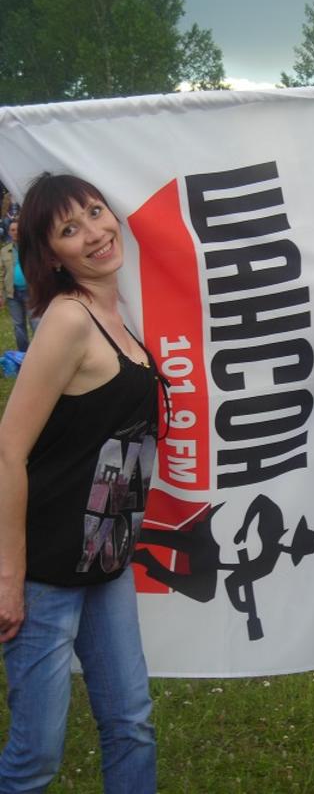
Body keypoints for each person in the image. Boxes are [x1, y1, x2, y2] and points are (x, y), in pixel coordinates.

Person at [0, 173, 163, 793]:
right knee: (36, 755)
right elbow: (8, 450)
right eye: (70, 229)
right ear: (51, 256)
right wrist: (9, 578)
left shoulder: (116, 317)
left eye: (96, 212)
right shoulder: (69, 320)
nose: (94, 232)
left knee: (132, 725)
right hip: (45, 568)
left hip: (104, 558)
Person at [0, 219, 40, 351]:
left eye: (17, 229)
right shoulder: (4, 251)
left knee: (36, 323)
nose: (15, 232)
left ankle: (40, 352)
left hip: (31, 292)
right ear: (9, 232)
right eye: (12, 230)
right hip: (13, 294)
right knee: (18, 326)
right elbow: (1, 273)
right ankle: (23, 354)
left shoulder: (32, 248)